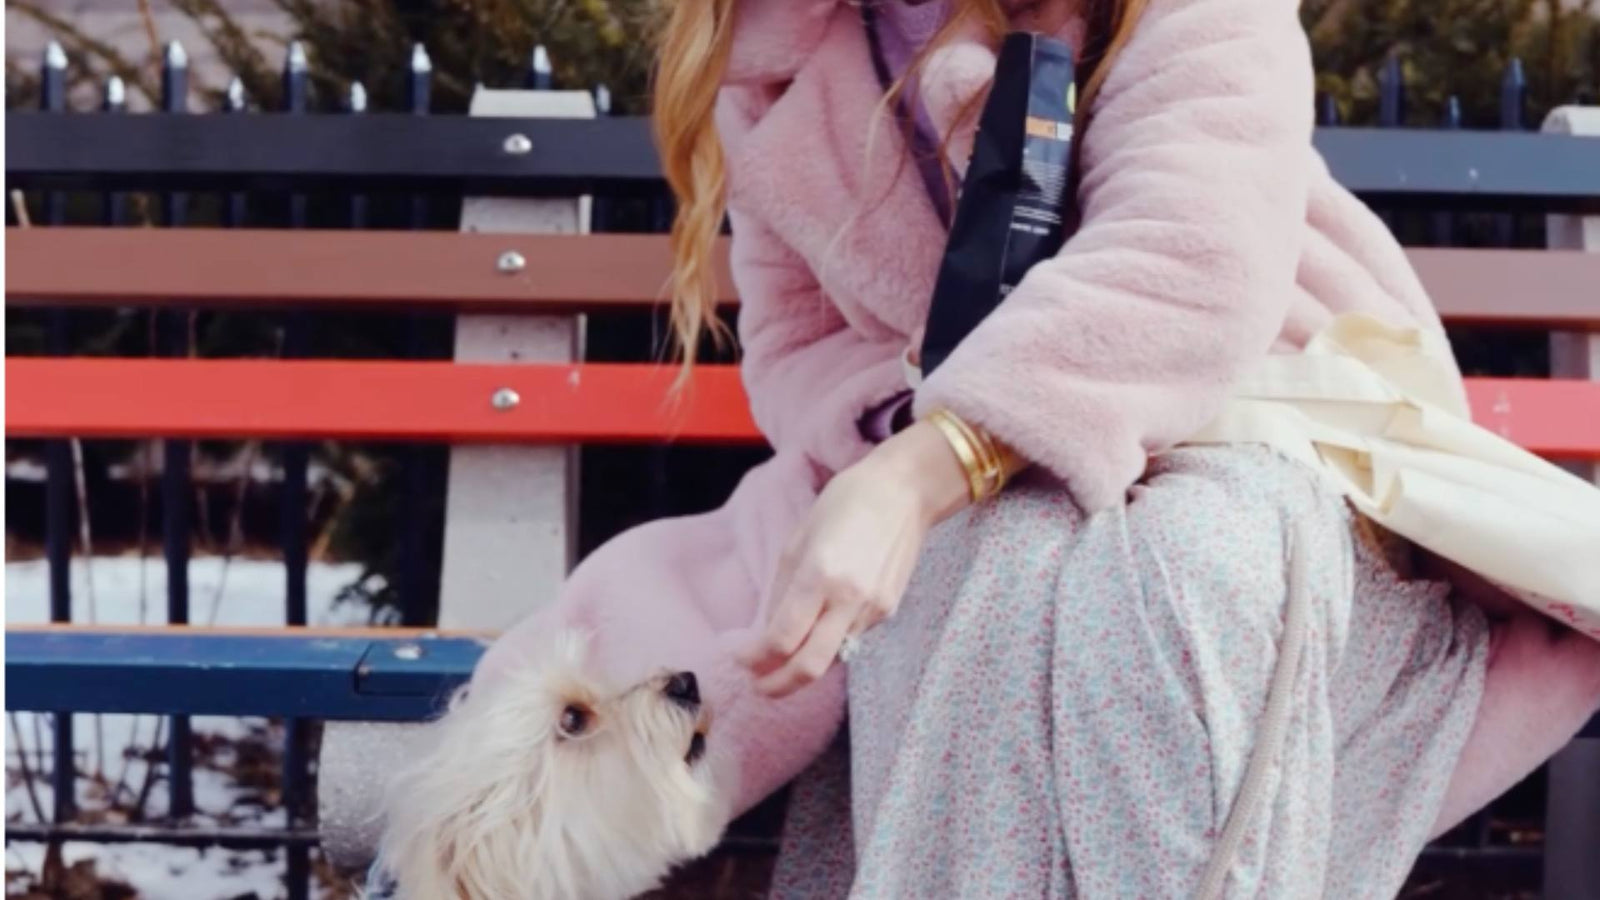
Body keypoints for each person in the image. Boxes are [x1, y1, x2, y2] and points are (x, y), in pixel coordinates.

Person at [385, 0, 1600, 896]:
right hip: (984, 495)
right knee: (982, 572)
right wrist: (913, 436)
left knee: (1173, 566)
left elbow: (1189, 267)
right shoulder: (779, 56)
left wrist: (927, 469)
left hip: (1268, 438)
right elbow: (800, 344)